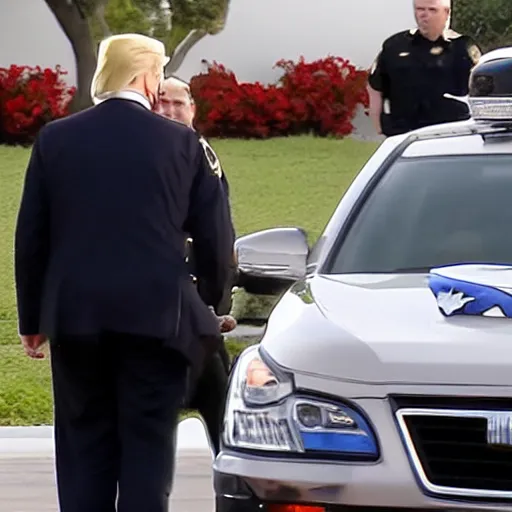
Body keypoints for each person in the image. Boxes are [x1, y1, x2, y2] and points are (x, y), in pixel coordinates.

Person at [13, 33, 235, 512]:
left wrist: (32, 319)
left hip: (75, 318)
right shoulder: (184, 143)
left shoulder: (56, 138)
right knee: (145, 450)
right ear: (145, 77)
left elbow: (31, 237)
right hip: (158, 318)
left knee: (83, 444)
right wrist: (213, 305)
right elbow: (216, 240)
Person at [156, 75, 237, 455]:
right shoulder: (158, 152)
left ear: (193, 109)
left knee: (229, 426)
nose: (170, 111)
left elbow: (218, 238)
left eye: (178, 103)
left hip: (194, 312)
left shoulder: (200, 155)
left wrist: (215, 304)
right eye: (162, 101)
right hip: (164, 314)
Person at [368, 0, 482, 137]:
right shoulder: (395, 45)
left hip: (451, 134)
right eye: (420, 9)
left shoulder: (463, 48)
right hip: (403, 134)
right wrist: (379, 127)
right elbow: (375, 85)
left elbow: (481, 89)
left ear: (447, 13)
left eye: (432, 10)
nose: (424, 15)